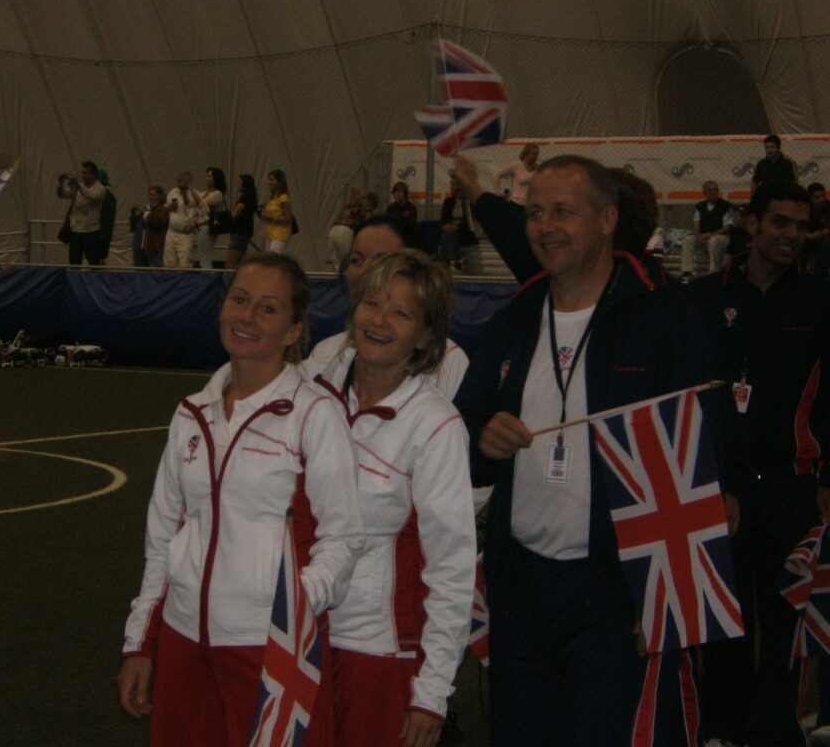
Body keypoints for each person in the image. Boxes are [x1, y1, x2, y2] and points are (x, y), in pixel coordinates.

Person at [455, 155, 721, 746]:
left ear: (607, 219)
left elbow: (702, 456)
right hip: (521, 589)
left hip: (614, 593)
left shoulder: (663, 316)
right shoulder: (515, 318)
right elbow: (464, 431)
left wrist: (666, 597)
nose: (544, 227)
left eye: (562, 211)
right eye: (534, 213)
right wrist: (483, 438)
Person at [117, 252, 364, 747]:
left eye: (268, 309)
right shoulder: (191, 413)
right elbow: (162, 535)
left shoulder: (314, 415)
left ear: (294, 331)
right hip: (184, 639)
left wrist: (292, 609)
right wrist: (140, 642)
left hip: (267, 647)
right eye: (240, 300)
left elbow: (343, 538)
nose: (247, 317)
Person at [306, 250, 475, 747]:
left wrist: (433, 690)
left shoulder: (435, 425)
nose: (379, 321)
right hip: (297, 634)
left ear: (425, 336)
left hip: (376, 652)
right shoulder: (310, 393)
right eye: (372, 303)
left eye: (400, 313)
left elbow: (452, 567)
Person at [686, 180, 830, 747]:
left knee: (785, 618)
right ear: (751, 222)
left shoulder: (819, 300)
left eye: (802, 226)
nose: (792, 235)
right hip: (717, 485)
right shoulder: (702, 297)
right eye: (780, 222)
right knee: (722, 616)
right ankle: (720, 732)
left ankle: (777, 732)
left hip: (791, 487)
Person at [302, 214, 470, 402]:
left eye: (382, 261)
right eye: (356, 260)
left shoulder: (451, 362)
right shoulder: (324, 352)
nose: (366, 271)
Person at [679, 181, 734, 281]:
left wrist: (709, 235)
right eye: (710, 190)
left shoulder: (726, 206)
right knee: (687, 239)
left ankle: (713, 272)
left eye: (715, 190)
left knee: (714, 240)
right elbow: (696, 224)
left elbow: (727, 227)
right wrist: (698, 236)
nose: (713, 192)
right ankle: (687, 272)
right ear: (704, 193)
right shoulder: (700, 206)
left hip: (721, 238)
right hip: (704, 236)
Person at [64, 160, 108, 266]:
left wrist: (79, 186)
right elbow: (65, 194)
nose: (82, 176)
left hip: (91, 231)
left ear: (93, 174)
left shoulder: (101, 189)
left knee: (93, 263)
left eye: (85, 173)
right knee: (74, 263)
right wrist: (64, 183)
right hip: (76, 230)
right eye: (81, 173)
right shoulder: (79, 187)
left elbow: (92, 196)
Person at [163, 171, 204, 268]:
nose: (179, 183)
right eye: (178, 181)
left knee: (184, 263)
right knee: (169, 263)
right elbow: (166, 209)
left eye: (182, 181)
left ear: (188, 182)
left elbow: (200, 214)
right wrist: (170, 208)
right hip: (172, 232)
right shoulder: (172, 193)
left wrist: (193, 225)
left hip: (186, 235)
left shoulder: (196, 194)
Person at [439, 176, 473, 273]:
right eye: (451, 184)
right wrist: (444, 226)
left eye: (453, 184)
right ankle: (451, 263)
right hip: (451, 230)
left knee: (450, 235)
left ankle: (449, 262)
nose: (451, 186)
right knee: (447, 234)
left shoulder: (468, 202)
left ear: (460, 186)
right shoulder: (448, 201)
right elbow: (443, 218)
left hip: (464, 231)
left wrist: (457, 227)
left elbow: (469, 221)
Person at [493, 142, 539, 207]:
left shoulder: (538, 168)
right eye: (534, 154)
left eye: (537, 154)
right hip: (516, 203)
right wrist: (498, 193)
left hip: (530, 204)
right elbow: (496, 174)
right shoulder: (516, 166)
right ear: (526, 154)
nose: (536, 157)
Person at [226, 174, 257, 270]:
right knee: (241, 264)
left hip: (240, 233)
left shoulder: (245, 197)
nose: (237, 184)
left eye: (239, 182)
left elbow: (234, 213)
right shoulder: (251, 197)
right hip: (245, 233)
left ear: (245, 184)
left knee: (230, 265)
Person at [258, 169, 293, 253]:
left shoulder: (283, 198)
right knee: (268, 258)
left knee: (273, 257)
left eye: (272, 180)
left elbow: (287, 218)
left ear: (279, 182)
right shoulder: (272, 198)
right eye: (269, 180)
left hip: (279, 235)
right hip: (270, 233)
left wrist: (271, 217)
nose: (269, 182)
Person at [197, 167, 226, 269]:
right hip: (201, 227)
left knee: (205, 257)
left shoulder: (218, 194)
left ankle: (207, 275)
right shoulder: (204, 193)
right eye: (207, 176)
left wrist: (190, 189)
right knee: (202, 256)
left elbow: (203, 203)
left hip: (208, 226)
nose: (207, 178)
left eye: (209, 176)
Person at [804, 181, 830, 278]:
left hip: (824, 238)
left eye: (823, 196)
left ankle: (821, 275)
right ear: (810, 199)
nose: (821, 200)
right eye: (817, 197)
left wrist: (826, 230)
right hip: (808, 239)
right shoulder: (804, 210)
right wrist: (809, 235)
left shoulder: (827, 206)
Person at [141, 186, 169, 268]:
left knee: (158, 269)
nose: (150, 197)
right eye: (149, 195)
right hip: (149, 247)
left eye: (152, 195)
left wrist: (146, 214)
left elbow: (158, 223)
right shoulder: (150, 209)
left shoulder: (162, 209)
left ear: (159, 196)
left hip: (157, 246)